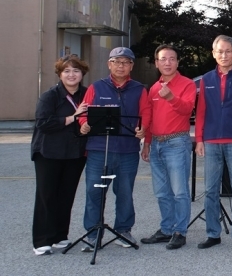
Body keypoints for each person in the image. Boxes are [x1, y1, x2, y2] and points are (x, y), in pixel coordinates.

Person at [79, 47, 148, 250]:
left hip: (127, 150)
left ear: (131, 66)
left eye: (125, 62)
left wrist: (143, 128)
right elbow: (84, 111)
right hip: (99, 149)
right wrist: (83, 123)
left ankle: (123, 230)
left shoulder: (139, 89)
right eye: (116, 62)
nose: (121, 66)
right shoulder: (96, 87)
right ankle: (93, 234)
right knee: (94, 192)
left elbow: (146, 112)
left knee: (124, 193)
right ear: (109, 64)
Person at [194, 35, 232, 250]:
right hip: (211, 141)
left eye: (228, 51)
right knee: (210, 190)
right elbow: (201, 112)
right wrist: (199, 139)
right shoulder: (206, 79)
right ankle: (213, 233)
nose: (224, 55)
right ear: (214, 54)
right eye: (220, 51)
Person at [31, 55, 90, 255]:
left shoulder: (87, 94)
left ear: (82, 73)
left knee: (67, 195)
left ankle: (59, 236)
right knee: (46, 196)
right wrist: (73, 117)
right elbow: (43, 123)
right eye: (67, 71)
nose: (71, 74)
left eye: (76, 70)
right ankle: (42, 240)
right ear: (60, 74)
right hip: (48, 152)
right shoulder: (50, 96)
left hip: (75, 153)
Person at [140, 45, 197, 250]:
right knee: (162, 192)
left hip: (177, 143)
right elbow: (150, 117)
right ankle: (166, 229)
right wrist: (147, 143)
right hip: (156, 143)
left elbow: (187, 110)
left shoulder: (187, 84)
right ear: (156, 63)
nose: (167, 63)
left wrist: (171, 97)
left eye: (172, 59)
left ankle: (180, 231)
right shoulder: (154, 88)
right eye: (163, 59)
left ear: (177, 62)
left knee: (179, 191)